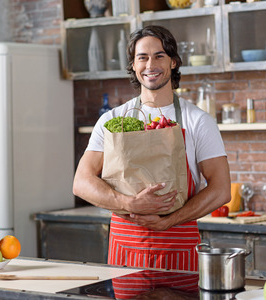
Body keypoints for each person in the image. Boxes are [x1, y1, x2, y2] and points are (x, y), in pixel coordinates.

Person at [73, 25, 231, 272]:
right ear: (134, 66)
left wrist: (170, 221)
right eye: (142, 57)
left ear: (173, 63)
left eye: (159, 56)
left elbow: (221, 190)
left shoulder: (198, 121)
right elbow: (81, 182)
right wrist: (129, 204)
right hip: (125, 249)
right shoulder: (112, 120)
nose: (150, 65)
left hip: (178, 249)